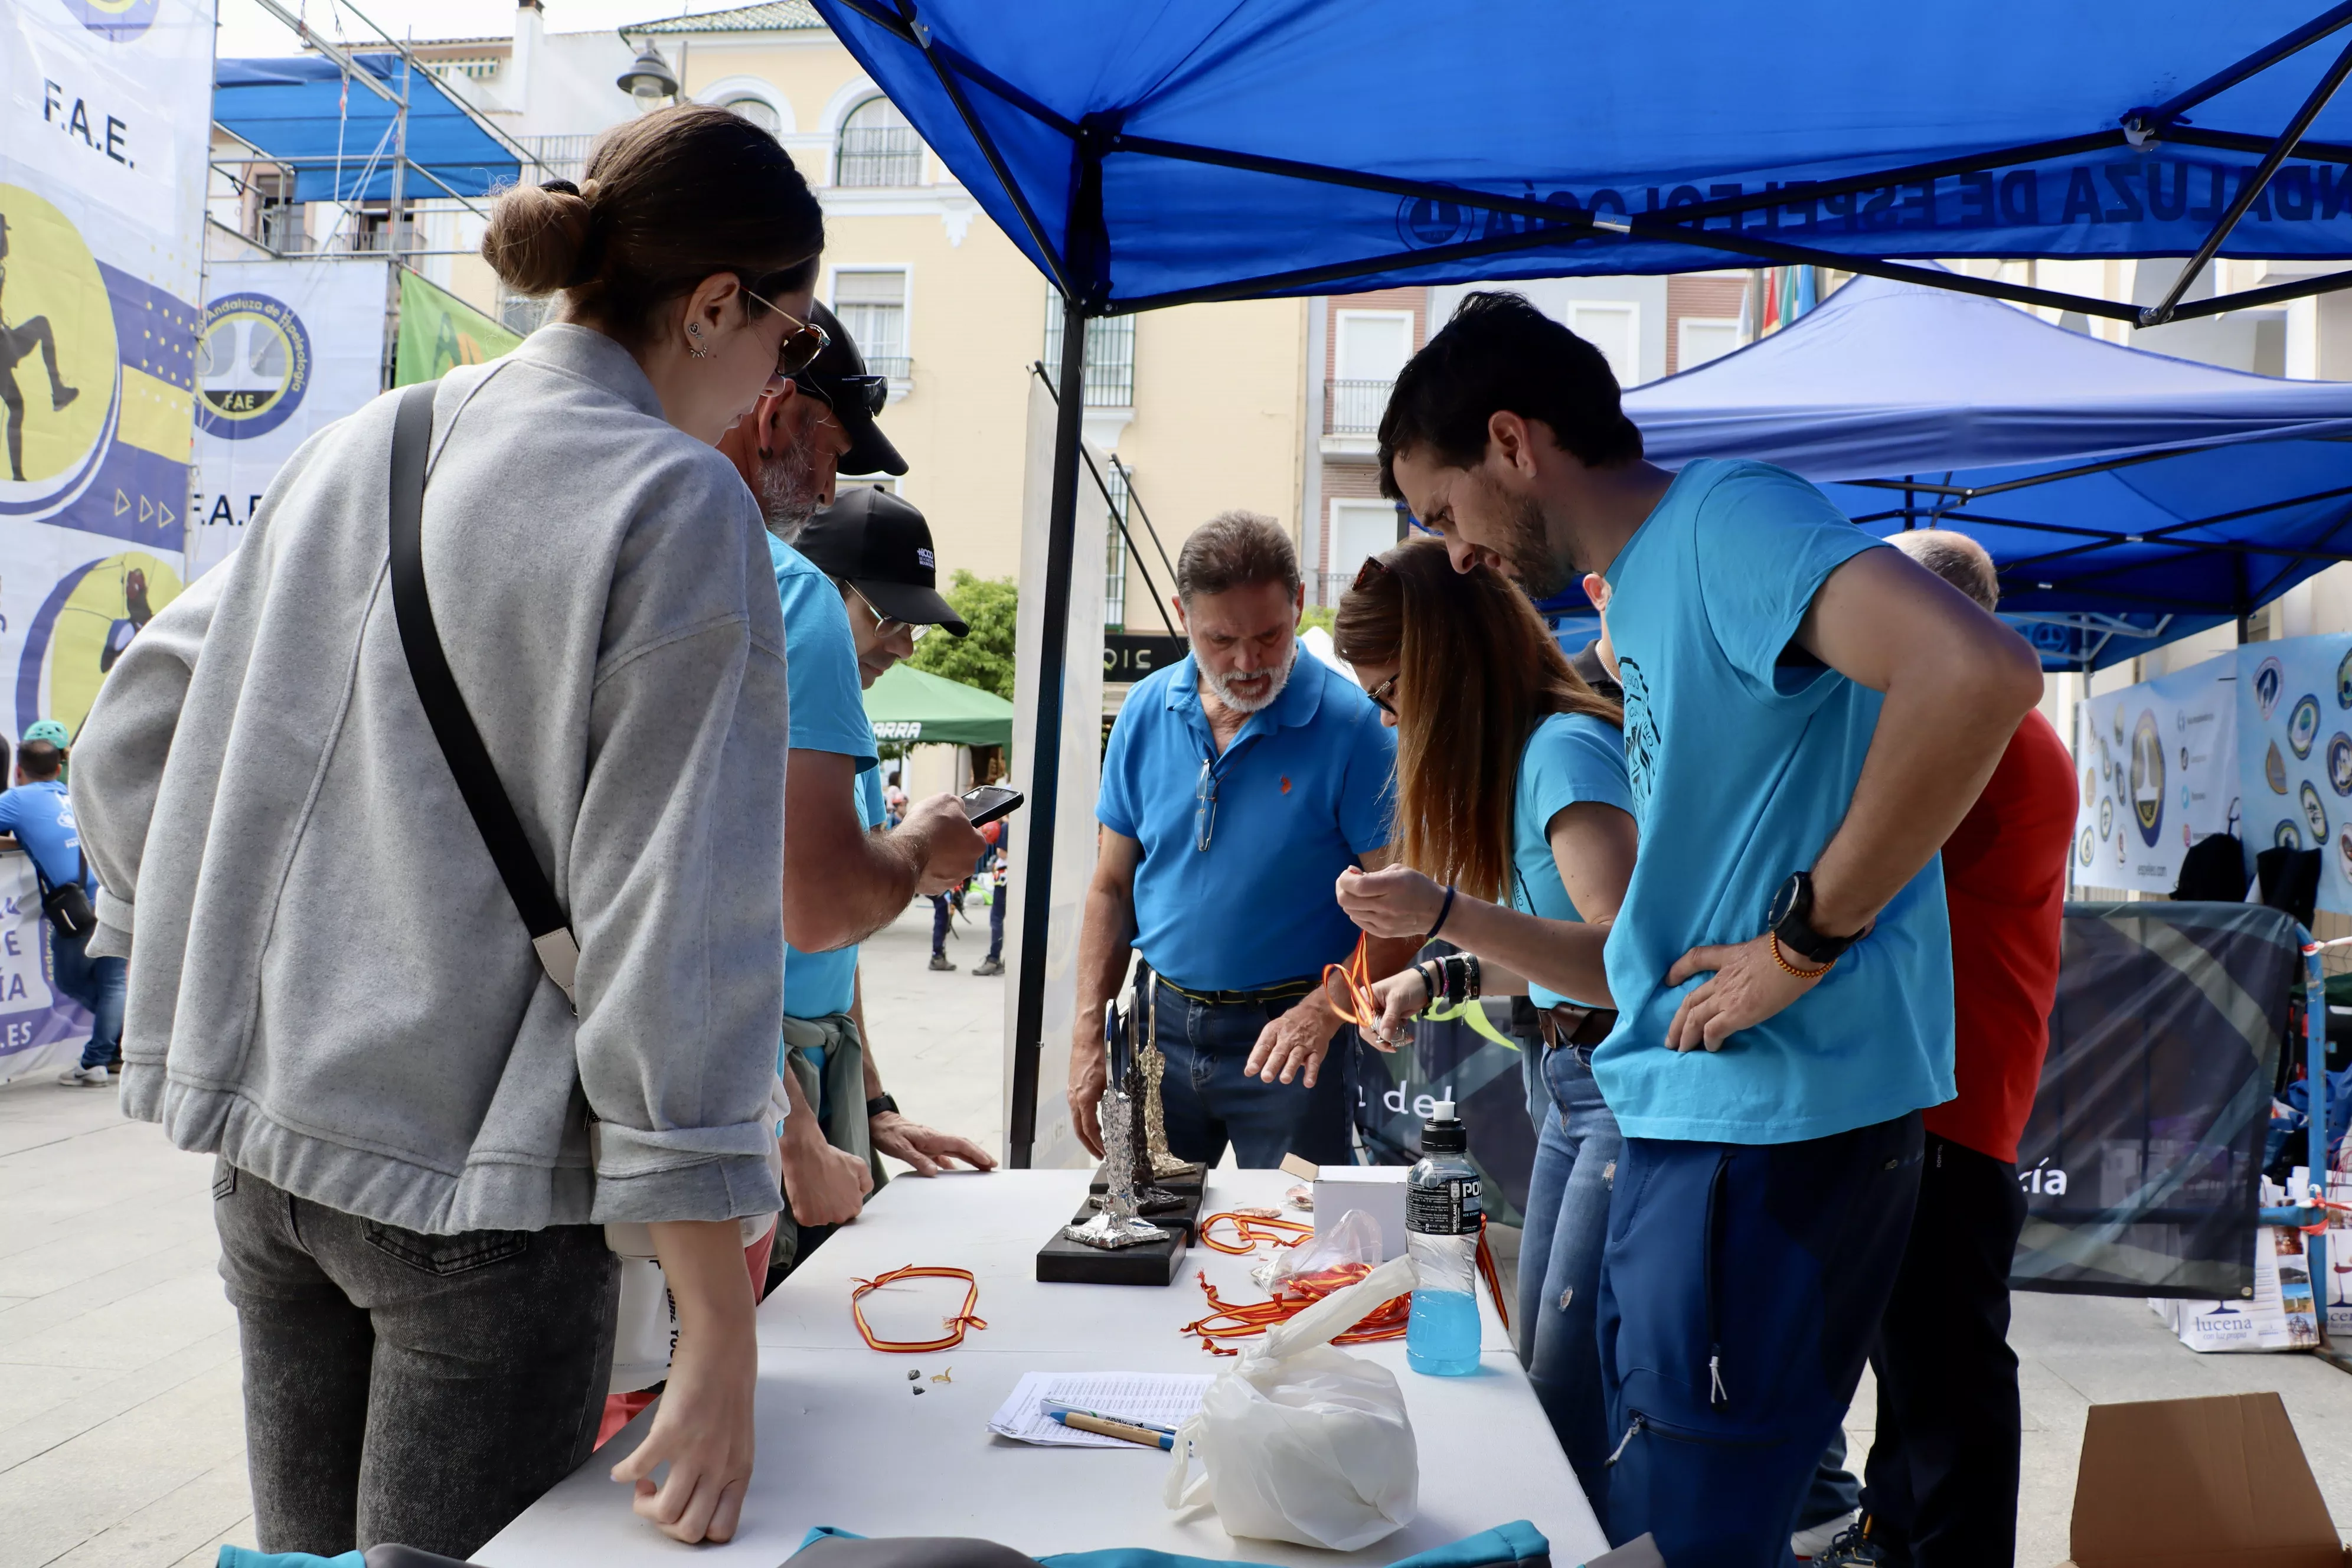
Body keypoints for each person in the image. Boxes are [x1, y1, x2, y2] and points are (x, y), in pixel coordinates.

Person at [68, 105, 824, 1556]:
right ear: (718, 301)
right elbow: (676, 921)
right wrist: (719, 1320)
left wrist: (216, 947)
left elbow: (137, 722)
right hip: (479, 1196)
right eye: (787, 335)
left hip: (272, 1159)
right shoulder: (677, 503)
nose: (769, 378)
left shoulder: (380, 435)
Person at [1353, 292, 2043, 1564]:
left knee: (1703, 1523)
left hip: (1767, 1123)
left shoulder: (1726, 516)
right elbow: (1645, 932)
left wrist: (1803, 941)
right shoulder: (1649, 582)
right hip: (1696, 1114)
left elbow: (1980, 673)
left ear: (1513, 441)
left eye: (1442, 510)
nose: (1453, 551)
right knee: (1660, 1503)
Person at [1332, 538, 1636, 1525]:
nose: (1386, 719)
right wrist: (1429, 978)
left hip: (1618, 1094)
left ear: (1445, 669)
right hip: (1570, 1085)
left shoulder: (1562, 748)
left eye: (1390, 692)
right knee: (1541, 1372)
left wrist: (1443, 913)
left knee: (1567, 1388)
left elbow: (1623, 967)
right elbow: (1554, 959)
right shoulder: (1524, 755)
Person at [1814, 532, 2076, 1568]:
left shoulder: (1987, 732)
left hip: (1950, 1095)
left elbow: (1861, 868)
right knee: (1916, 1360)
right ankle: (1890, 1533)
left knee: (1947, 1369)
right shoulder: (1996, 729)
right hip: (1942, 1084)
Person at [1069, 510, 1411, 1169]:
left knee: (1290, 1251)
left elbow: (1406, 915)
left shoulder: (1357, 727)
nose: (1249, 662)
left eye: (1270, 635)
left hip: (1296, 1038)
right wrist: (1088, 1031)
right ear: (1182, 615)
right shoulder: (1144, 709)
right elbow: (1111, 888)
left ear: (1300, 603)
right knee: (1151, 1241)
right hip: (1158, 1029)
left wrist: (1327, 1010)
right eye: (1220, 639)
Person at [765, 486, 996, 1279]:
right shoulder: (770, 717)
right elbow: (713, 955)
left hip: (814, 1071)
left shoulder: (841, 727)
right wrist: (795, 1129)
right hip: (760, 1083)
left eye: (914, 625)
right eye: (885, 617)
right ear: (812, 594)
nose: (904, 647)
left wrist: (872, 1106)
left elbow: (842, 937)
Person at [0, 726, 123, 1087]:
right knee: (113, 982)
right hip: (112, 893)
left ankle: (102, 1055)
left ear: (19, 771)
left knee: (71, 980)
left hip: (77, 909)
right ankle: (107, 1053)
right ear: (59, 768)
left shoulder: (16, 800)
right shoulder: (76, 792)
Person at [975, 819, 1008, 977]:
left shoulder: (1008, 827)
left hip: (1005, 880)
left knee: (997, 919)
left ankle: (994, 959)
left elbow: (1003, 853)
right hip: (1011, 880)